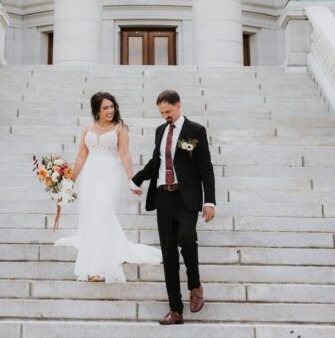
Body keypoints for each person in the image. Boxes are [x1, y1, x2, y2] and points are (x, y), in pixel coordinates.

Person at [56, 91, 162, 282]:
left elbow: (125, 155)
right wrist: (70, 180)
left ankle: (99, 268)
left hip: (110, 177)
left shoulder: (119, 129)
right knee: (92, 216)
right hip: (89, 177)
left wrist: (132, 178)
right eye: (105, 107)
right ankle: (99, 256)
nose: (110, 110)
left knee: (102, 214)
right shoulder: (87, 129)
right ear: (97, 110)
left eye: (112, 106)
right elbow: (81, 156)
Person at [131, 89, 216, 325]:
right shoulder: (160, 131)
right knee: (168, 252)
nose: (165, 116)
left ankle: (195, 284)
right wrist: (137, 178)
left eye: (168, 111)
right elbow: (156, 161)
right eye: (161, 112)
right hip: (163, 197)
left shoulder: (194, 131)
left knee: (186, 238)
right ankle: (176, 309)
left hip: (185, 197)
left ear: (179, 106)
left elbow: (205, 168)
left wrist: (209, 201)